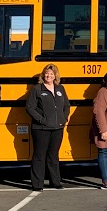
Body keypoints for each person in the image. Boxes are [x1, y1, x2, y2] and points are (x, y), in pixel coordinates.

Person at [25, 63, 70, 191]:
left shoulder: (60, 89)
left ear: (55, 75)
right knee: (39, 156)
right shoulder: (37, 89)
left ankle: (55, 182)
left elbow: (66, 105)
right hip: (41, 129)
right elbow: (29, 107)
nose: (49, 75)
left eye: (51, 73)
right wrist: (41, 120)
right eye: (47, 73)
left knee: (54, 155)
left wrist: (63, 118)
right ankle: (37, 184)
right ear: (43, 75)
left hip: (57, 128)